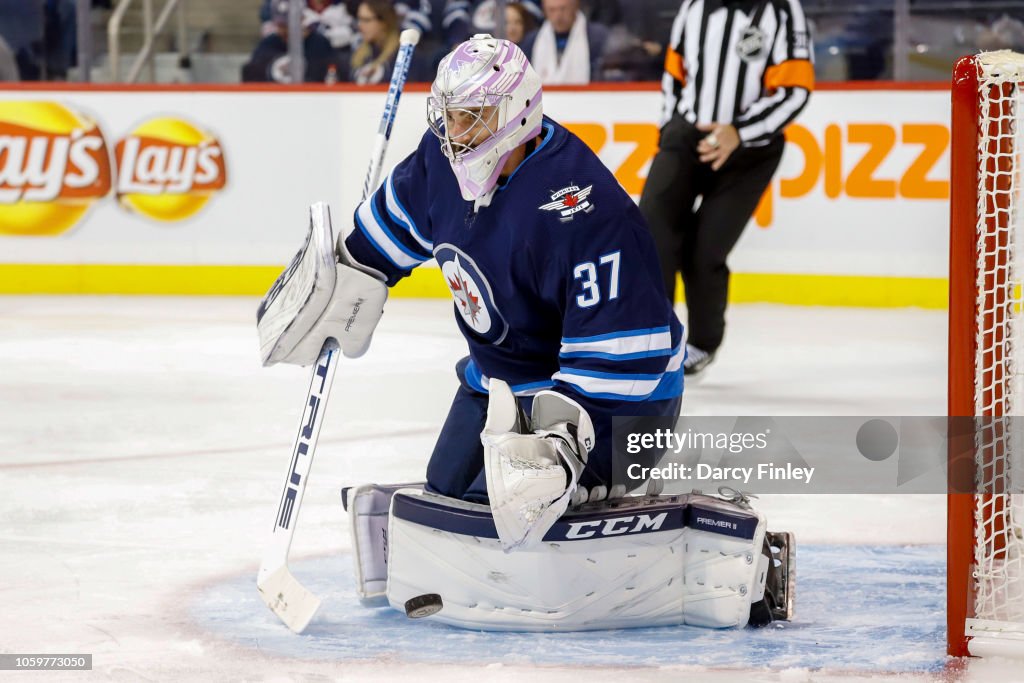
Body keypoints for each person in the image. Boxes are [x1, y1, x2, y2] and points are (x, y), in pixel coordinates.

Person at [258, 33, 683, 543]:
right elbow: (385, 235)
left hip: (616, 406)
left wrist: (562, 441)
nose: (455, 132)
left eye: (472, 115)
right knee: (447, 493)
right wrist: (343, 281)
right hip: (500, 381)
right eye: (448, 114)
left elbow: (627, 355)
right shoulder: (439, 160)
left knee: (500, 513)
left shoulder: (584, 211)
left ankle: (615, 485)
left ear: (516, 114)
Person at [638, 0, 813, 376]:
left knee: (704, 252)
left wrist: (739, 133)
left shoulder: (781, 9)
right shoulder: (693, 6)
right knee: (652, 232)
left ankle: (702, 343)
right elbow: (675, 69)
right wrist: (670, 127)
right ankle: (653, 341)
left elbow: (796, 89)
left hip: (751, 152)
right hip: (688, 136)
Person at [242, 0, 336, 83]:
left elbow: (329, 79)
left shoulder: (320, 44)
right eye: (280, 25)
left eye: (287, 25)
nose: (283, 30)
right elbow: (252, 77)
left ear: (302, 19)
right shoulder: (267, 45)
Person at [520, 0, 609, 84]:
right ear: (544, 11)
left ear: (575, 6)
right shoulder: (532, 41)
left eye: (563, 9)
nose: (558, 16)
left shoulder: (597, 37)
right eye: (552, 10)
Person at [349, 0, 400, 84]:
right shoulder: (358, 54)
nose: (360, 25)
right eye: (359, 19)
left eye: (366, 20)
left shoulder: (402, 56)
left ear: (384, 22)